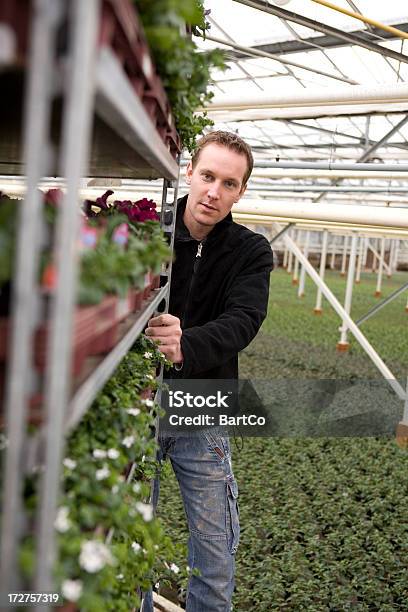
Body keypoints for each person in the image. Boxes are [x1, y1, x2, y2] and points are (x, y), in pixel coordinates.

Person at [143, 131, 273, 612]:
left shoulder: (250, 251)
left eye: (229, 183)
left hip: (202, 407)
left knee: (215, 549)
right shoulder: (149, 231)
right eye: (207, 176)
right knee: (130, 529)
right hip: (139, 404)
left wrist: (186, 344)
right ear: (190, 173)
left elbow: (245, 319)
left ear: (241, 191)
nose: (214, 192)